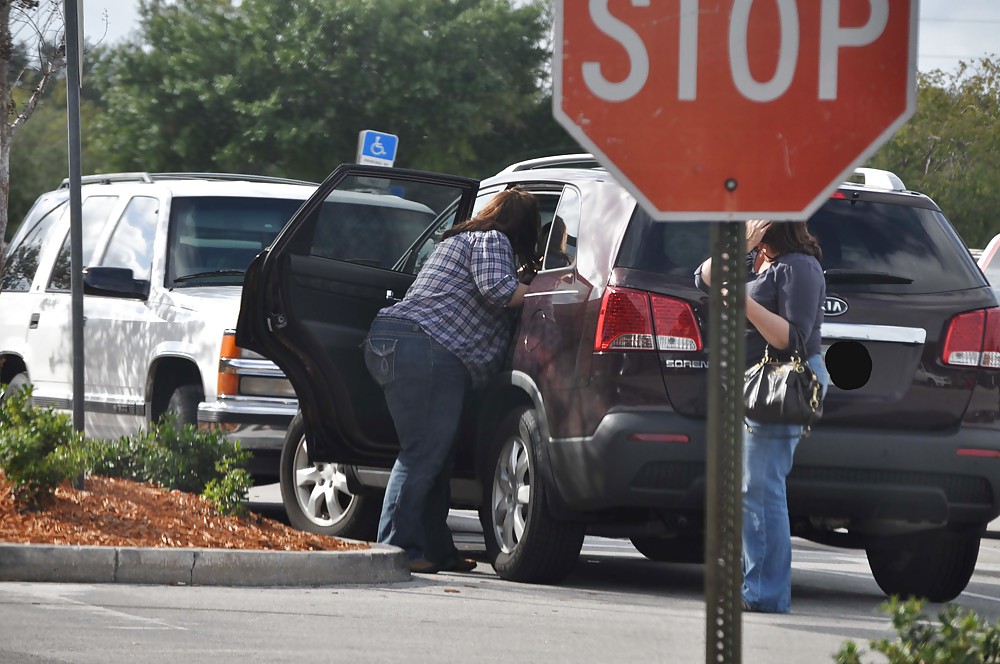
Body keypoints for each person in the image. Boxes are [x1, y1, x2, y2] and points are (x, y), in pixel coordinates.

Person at [363, 187, 541, 574]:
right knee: (422, 452)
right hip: (427, 347)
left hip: (397, 340)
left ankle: (435, 549)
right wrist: (541, 290)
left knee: (434, 457)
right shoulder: (493, 239)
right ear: (525, 227)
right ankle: (396, 549)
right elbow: (499, 290)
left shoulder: (459, 239)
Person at [695, 219, 830, 613]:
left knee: (760, 488)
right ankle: (753, 585)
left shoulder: (798, 266)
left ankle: (765, 593)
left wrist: (742, 302)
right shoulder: (757, 261)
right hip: (750, 383)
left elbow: (794, 338)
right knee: (746, 489)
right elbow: (702, 278)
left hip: (780, 384)